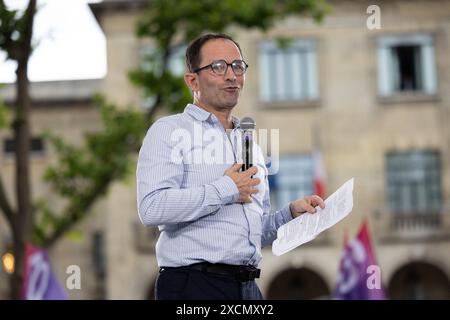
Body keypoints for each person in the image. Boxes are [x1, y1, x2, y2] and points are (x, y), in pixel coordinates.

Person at [137, 33, 325, 300]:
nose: (231, 75)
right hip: (193, 286)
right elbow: (152, 208)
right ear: (192, 80)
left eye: (237, 66)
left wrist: (290, 215)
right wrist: (226, 188)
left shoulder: (249, 144)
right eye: (218, 67)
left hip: (247, 287)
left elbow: (253, 230)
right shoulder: (169, 130)